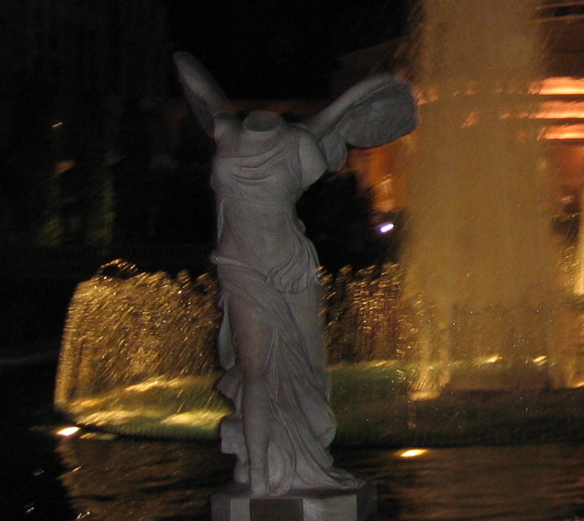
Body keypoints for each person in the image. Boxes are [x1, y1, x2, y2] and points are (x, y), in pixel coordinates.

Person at [174, 52, 417, 497]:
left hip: (269, 266)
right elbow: (199, 83)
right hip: (261, 266)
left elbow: (195, 80)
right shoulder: (296, 142)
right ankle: (269, 471)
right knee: (272, 371)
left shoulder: (241, 136)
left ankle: (292, 464)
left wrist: (206, 91)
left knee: (286, 366)